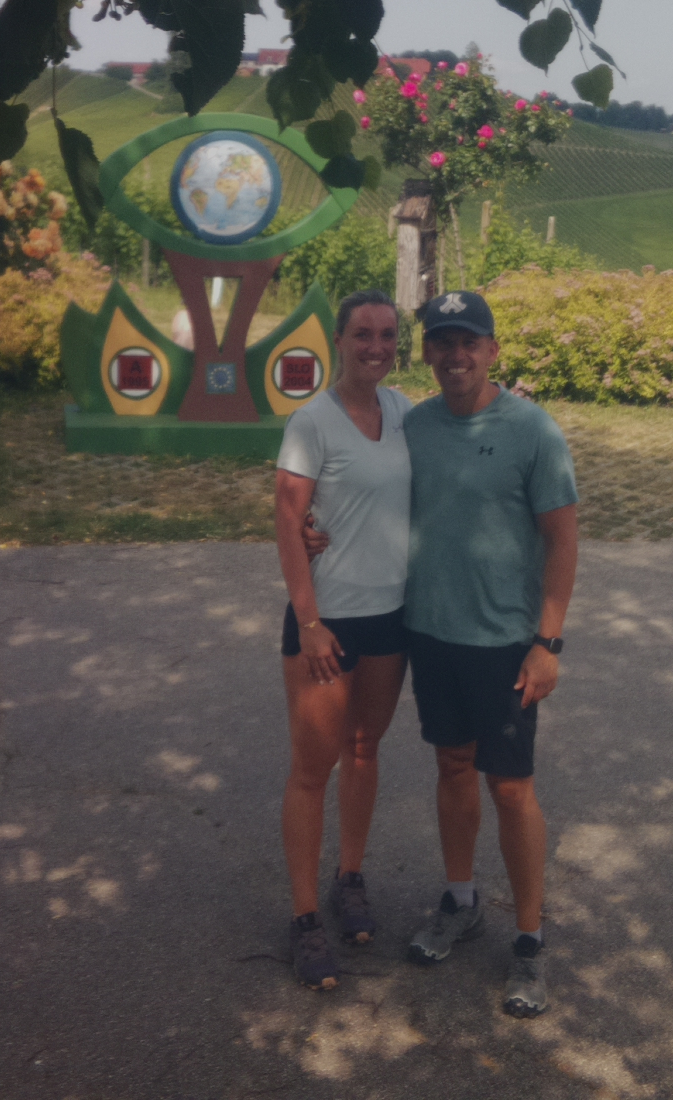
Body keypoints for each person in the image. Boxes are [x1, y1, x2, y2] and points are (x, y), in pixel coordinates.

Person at [307, 288, 577, 1017]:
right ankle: (461, 900)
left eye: (469, 342)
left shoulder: (532, 430)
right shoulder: (413, 425)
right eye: (442, 341)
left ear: (492, 350)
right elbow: (358, 485)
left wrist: (548, 643)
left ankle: (529, 941)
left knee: (511, 787)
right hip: (430, 631)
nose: (456, 355)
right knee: (453, 767)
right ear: (426, 351)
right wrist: (309, 525)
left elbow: (563, 538)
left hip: (506, 642)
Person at [271, 289, 413, 991]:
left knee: (364, 749)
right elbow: (286, 518)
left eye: (387, 334)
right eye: (363, 334)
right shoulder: (312, 422)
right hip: (325, 621)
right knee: (312, 768)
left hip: (391, 615)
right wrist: (310, 622)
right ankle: (304, 918)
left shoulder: (406, 412)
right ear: (339, 340)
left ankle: (349, 878)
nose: (376, 347)